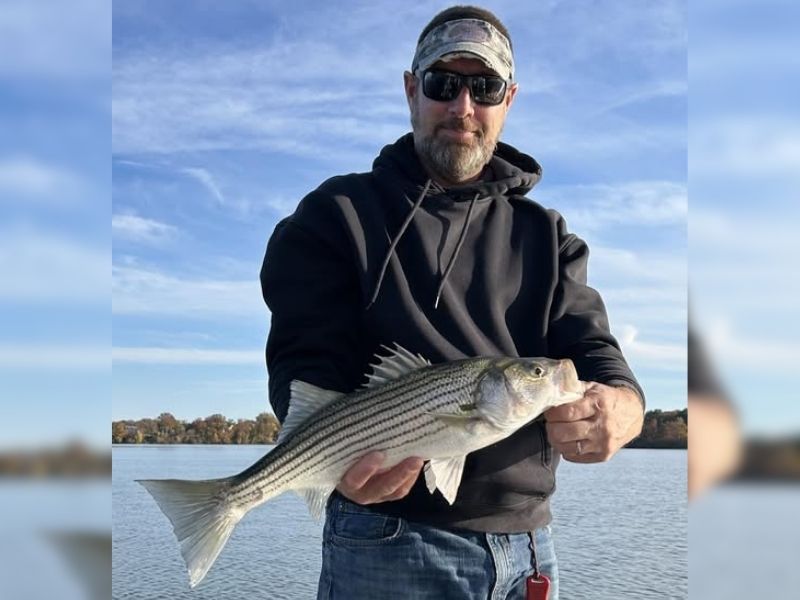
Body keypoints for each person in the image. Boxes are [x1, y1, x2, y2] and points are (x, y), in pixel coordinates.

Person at [261, 5, 645, 599]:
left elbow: (593, 349)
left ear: (508, 99)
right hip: (385, 539)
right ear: (411, 90)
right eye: (443, 83)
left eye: (484, 87)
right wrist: (336, 463)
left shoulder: (548, 237)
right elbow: (305, 362)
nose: (463, 107)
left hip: (530, 548)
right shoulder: (337, 215)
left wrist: (624, 407)